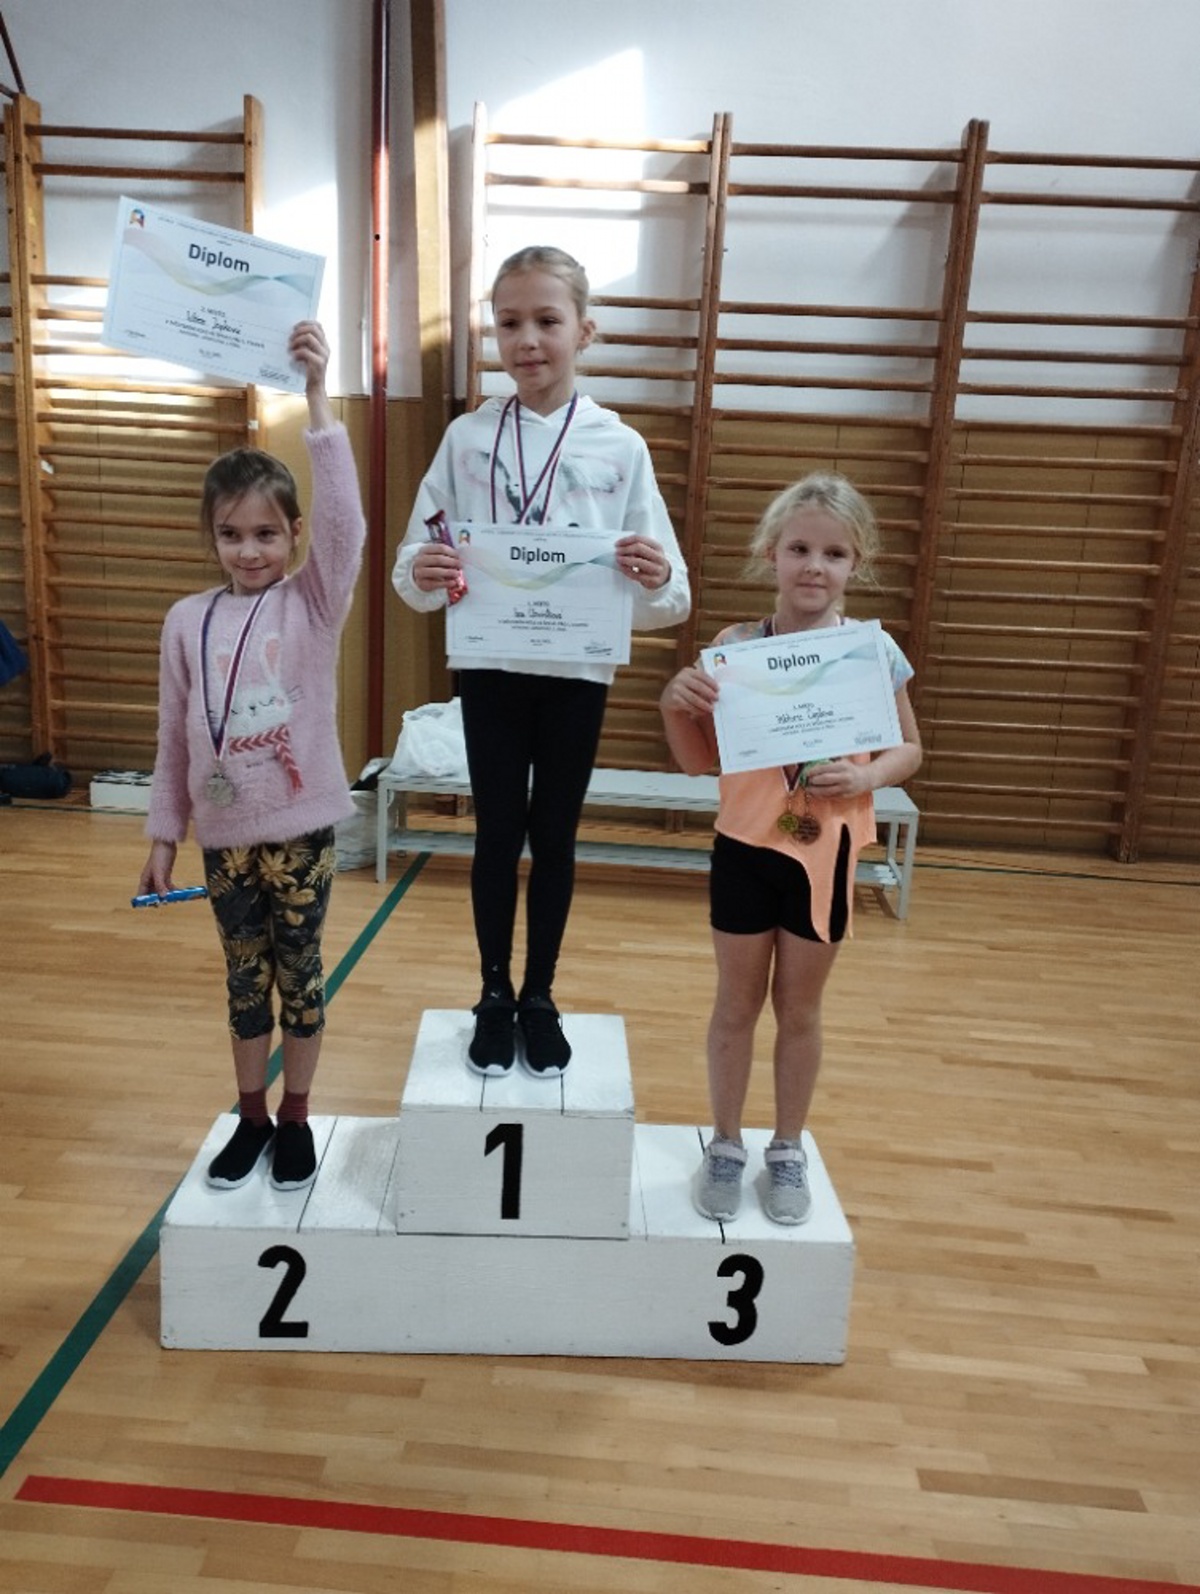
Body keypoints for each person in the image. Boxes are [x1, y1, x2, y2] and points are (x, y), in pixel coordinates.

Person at [393, 245, 690, 1079]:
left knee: (554, 834)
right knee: (497, 832)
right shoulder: (466, 438)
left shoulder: (619, 446)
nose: (527, 340)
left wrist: (654, 576)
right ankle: (493, 994)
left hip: (575, 674)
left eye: (547, 321)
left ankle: (540, 996)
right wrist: (422, 569)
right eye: (510, 322)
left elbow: (672, 592)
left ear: (584, 331)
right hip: (489, 666)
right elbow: (415, 560)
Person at [137, 321, 366, 1193]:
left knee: (299, 975)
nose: (249, 550)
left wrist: (317, 397)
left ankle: (297, 1115)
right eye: (232, 534)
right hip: (223, 835)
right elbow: (172, 735)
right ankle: (251, 1116)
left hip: (300, 830)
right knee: (244, 980)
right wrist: (164, 833)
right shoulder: (184, 621)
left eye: (267, 533)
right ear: (212, 537)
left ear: (295, 535)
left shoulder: (313, 602)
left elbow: (347, 522)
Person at [660, 473, 922, 1225]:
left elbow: (910, 749)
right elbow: (697, 762)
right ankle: (725, 1144)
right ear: (770, 553)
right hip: (744, 849)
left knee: (799, 1010)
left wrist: (866, 775)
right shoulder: (733, 649)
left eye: (834, 554)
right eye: (800, 548)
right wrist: (673, 703)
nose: (815, 566)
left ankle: (786, 1149)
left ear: (856, 564)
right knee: (735, 1005)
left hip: (823, 858)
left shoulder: (872, 652)